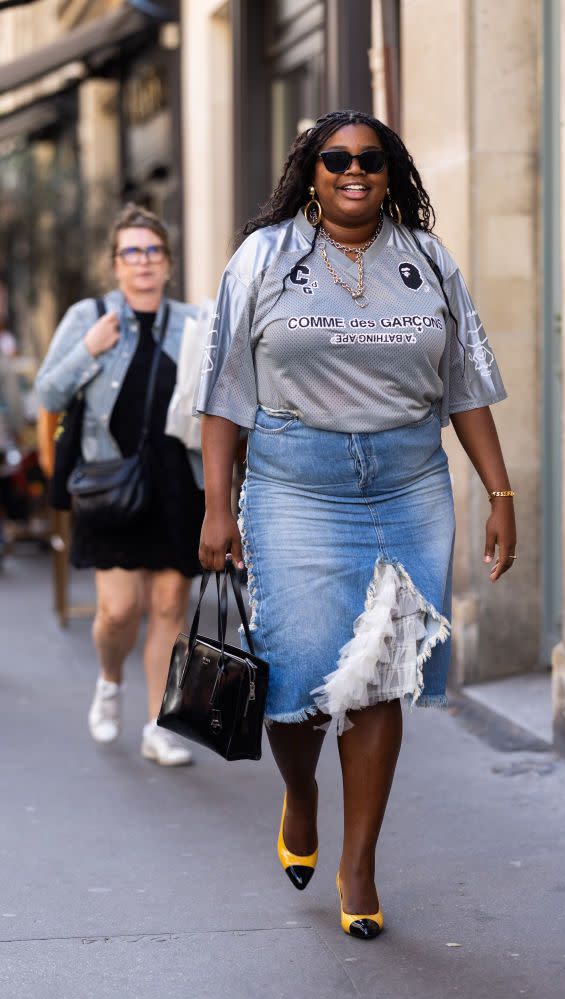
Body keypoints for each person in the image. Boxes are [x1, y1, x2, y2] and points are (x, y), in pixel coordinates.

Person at [197, 111, 516, 938]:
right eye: (335, 159)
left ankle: (359, 864)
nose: (353, 171)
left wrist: (501, 496)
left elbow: (464, 384)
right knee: (295, 676)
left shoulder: (426, 260)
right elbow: (225, 392)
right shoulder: (263, 258)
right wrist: (213, 505)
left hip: (409, 486)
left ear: (388, 172)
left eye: (369, 161)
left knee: (381, 673)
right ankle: (300, 797)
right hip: (294, 487)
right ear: (310, 171)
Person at [36, 204, 204, 766]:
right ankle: (110, 681)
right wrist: (89, 351)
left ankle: (160, 725)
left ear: (169, 263)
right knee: (117, 609)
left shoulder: (195, 323)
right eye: (131, 252)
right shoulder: (91, 316)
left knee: (168, 605)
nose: (143, 262)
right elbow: (48, 395)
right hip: (111, 482)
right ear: (116, 264)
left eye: (153, 251)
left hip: (179, 479)